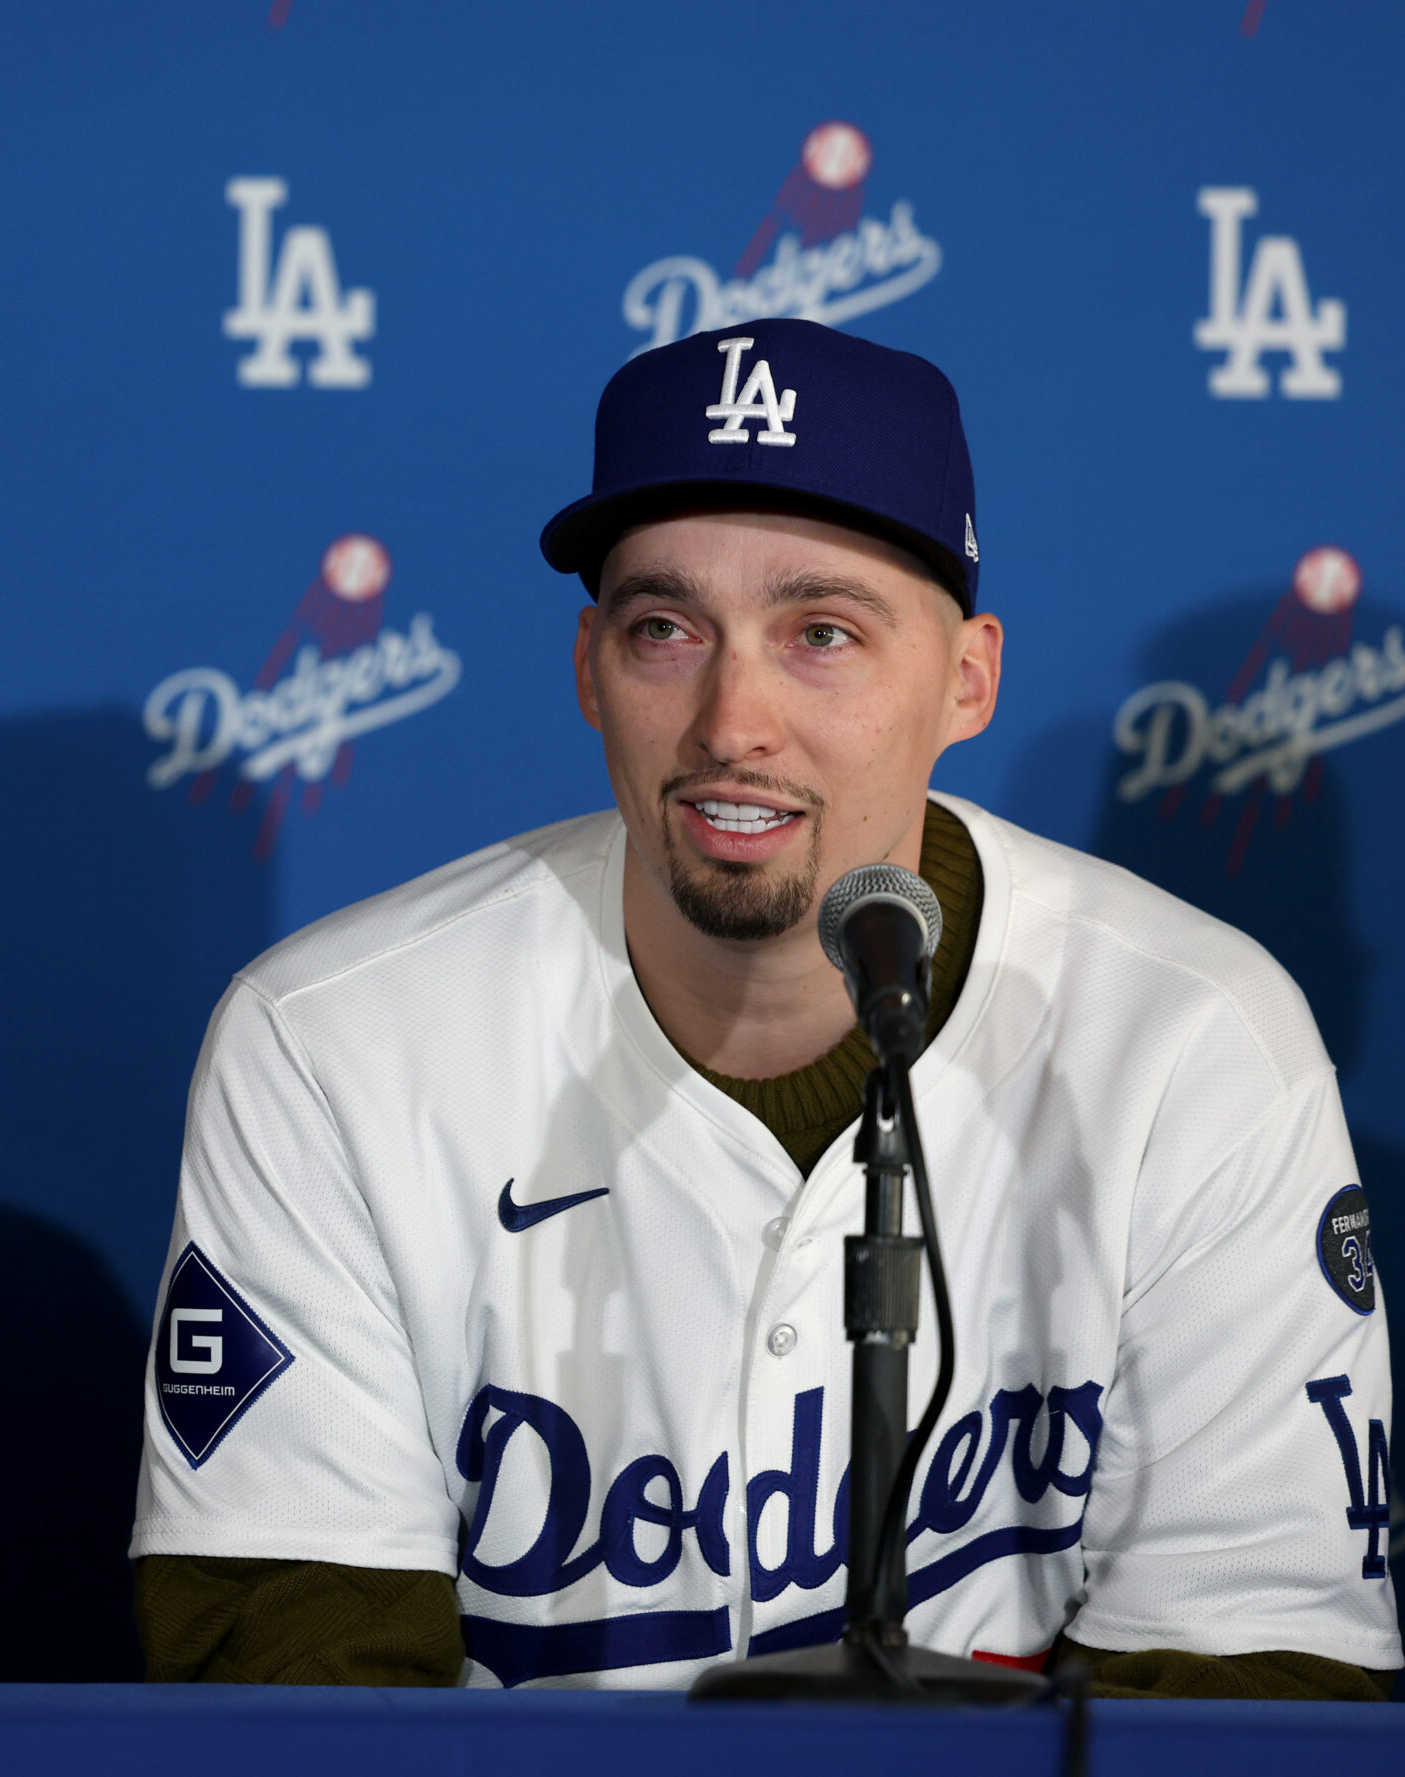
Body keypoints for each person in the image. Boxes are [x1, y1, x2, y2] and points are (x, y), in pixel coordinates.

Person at [130, 319, 1398, 1697]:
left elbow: (1251, 1682)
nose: (734, 719)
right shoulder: (333, 1043)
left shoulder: (1189, 1042)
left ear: (967, 676)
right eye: (665, 628)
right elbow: (300, 1694)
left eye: (824, 633)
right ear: (586, 668)